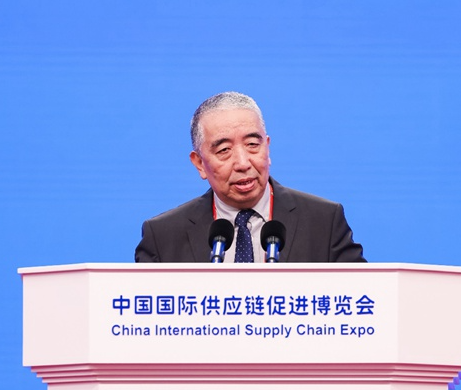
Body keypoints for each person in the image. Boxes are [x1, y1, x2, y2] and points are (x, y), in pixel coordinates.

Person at [135, 91, 365, 263]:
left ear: (267, 148)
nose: (243, 163)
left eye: (253, 145)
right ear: (199, 164)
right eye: (224, 150)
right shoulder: (162, 237)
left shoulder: (324, 222)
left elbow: (364, 301)